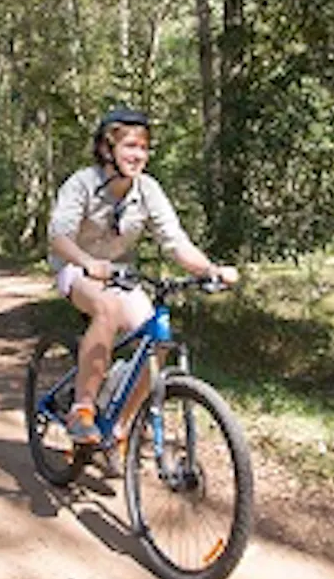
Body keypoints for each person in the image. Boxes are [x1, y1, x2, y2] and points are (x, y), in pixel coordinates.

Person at [47, 107, 239, 449]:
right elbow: (59, 237)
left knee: (158, 339)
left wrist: (210, 270)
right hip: (75, 266)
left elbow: (176, 242)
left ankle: (120, 426)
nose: (138, 155)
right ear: (107, 149)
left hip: (120, 271)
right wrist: (88, 262)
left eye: (143, 147)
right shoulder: (82, 184)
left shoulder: (147, 189)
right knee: (106, 309)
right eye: (130, 146)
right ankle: (82, 409)